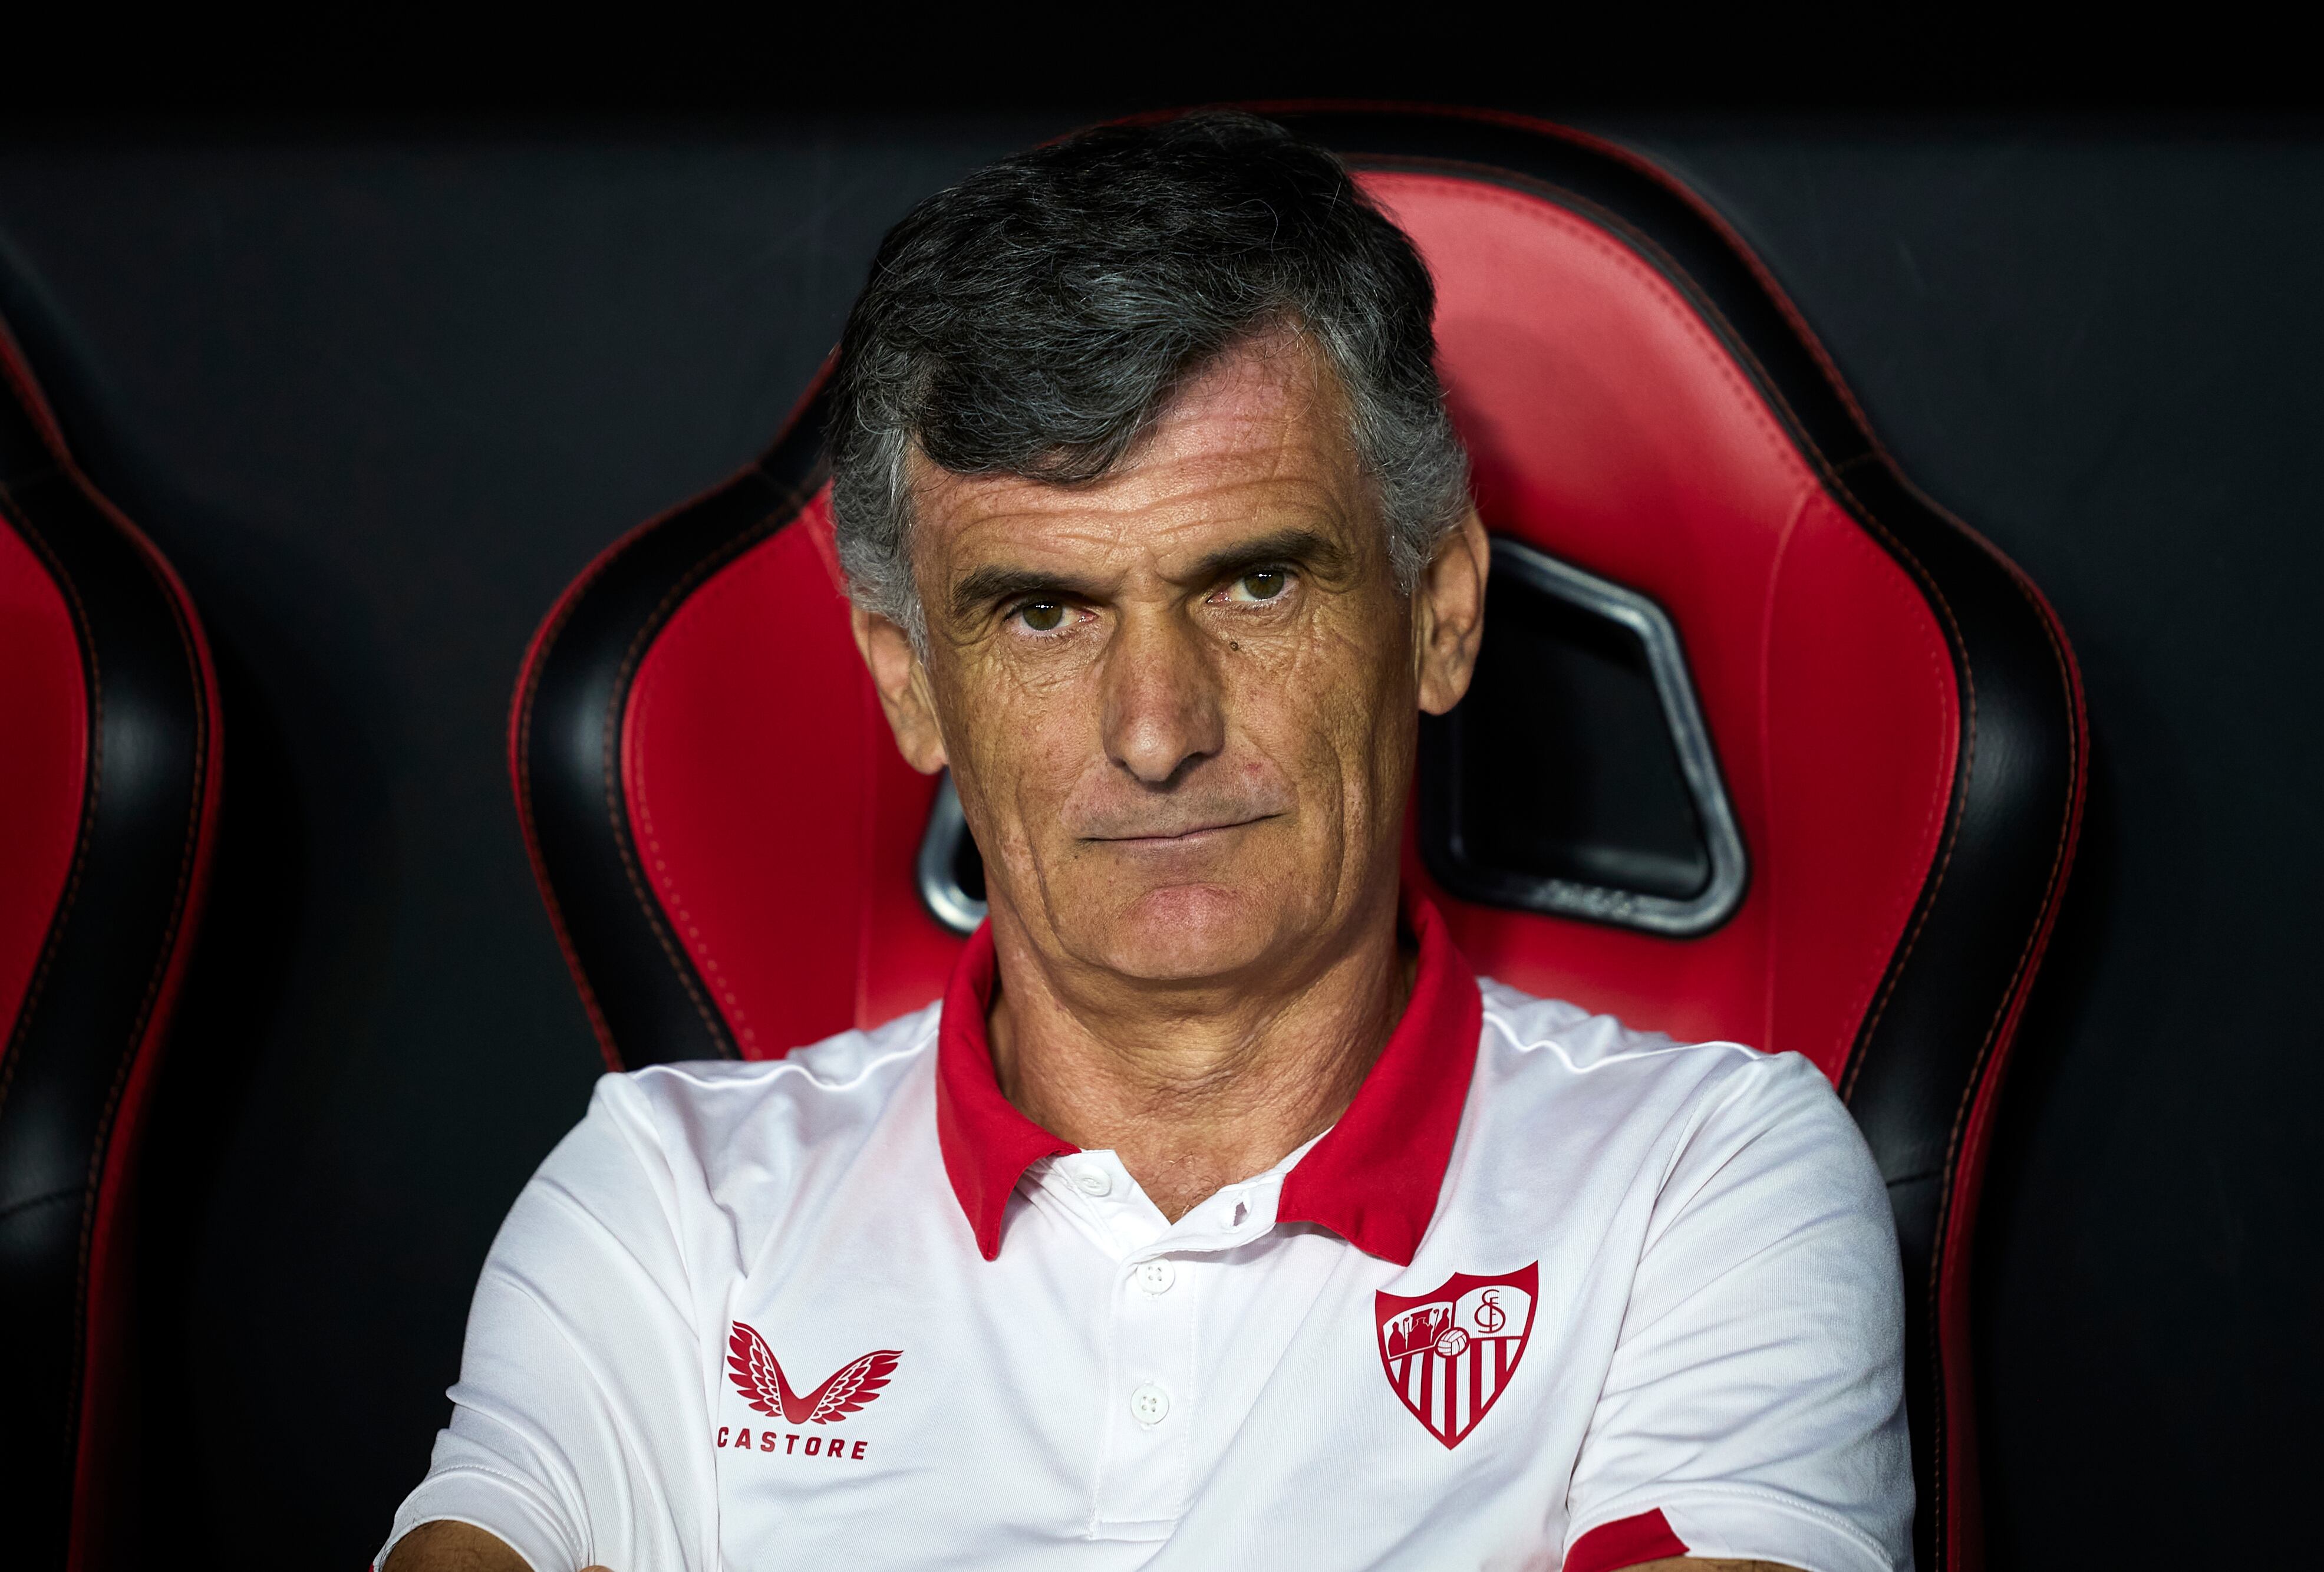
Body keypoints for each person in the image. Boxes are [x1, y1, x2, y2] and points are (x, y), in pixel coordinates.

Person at [381, 112, 1910, 1572]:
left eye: (1254, 585)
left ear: (1440, 611)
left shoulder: (1704, 1183)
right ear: (911, 681)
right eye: (1043, 611)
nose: (1157, 728)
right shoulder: (665, 1202)